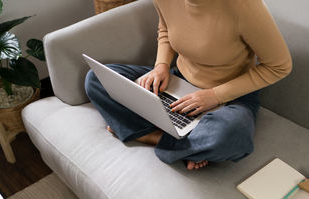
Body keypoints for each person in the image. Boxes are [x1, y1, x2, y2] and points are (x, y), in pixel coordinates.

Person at [85, 0, 292, 170]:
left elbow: (279, 66)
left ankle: (145, 134)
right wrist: (161, 66)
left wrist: (215, 95)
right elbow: (165, 28)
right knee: (96, 78)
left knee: (231, 135)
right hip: (177, 82)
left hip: (231, 96)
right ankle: (172, 141)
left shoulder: (245, 6)